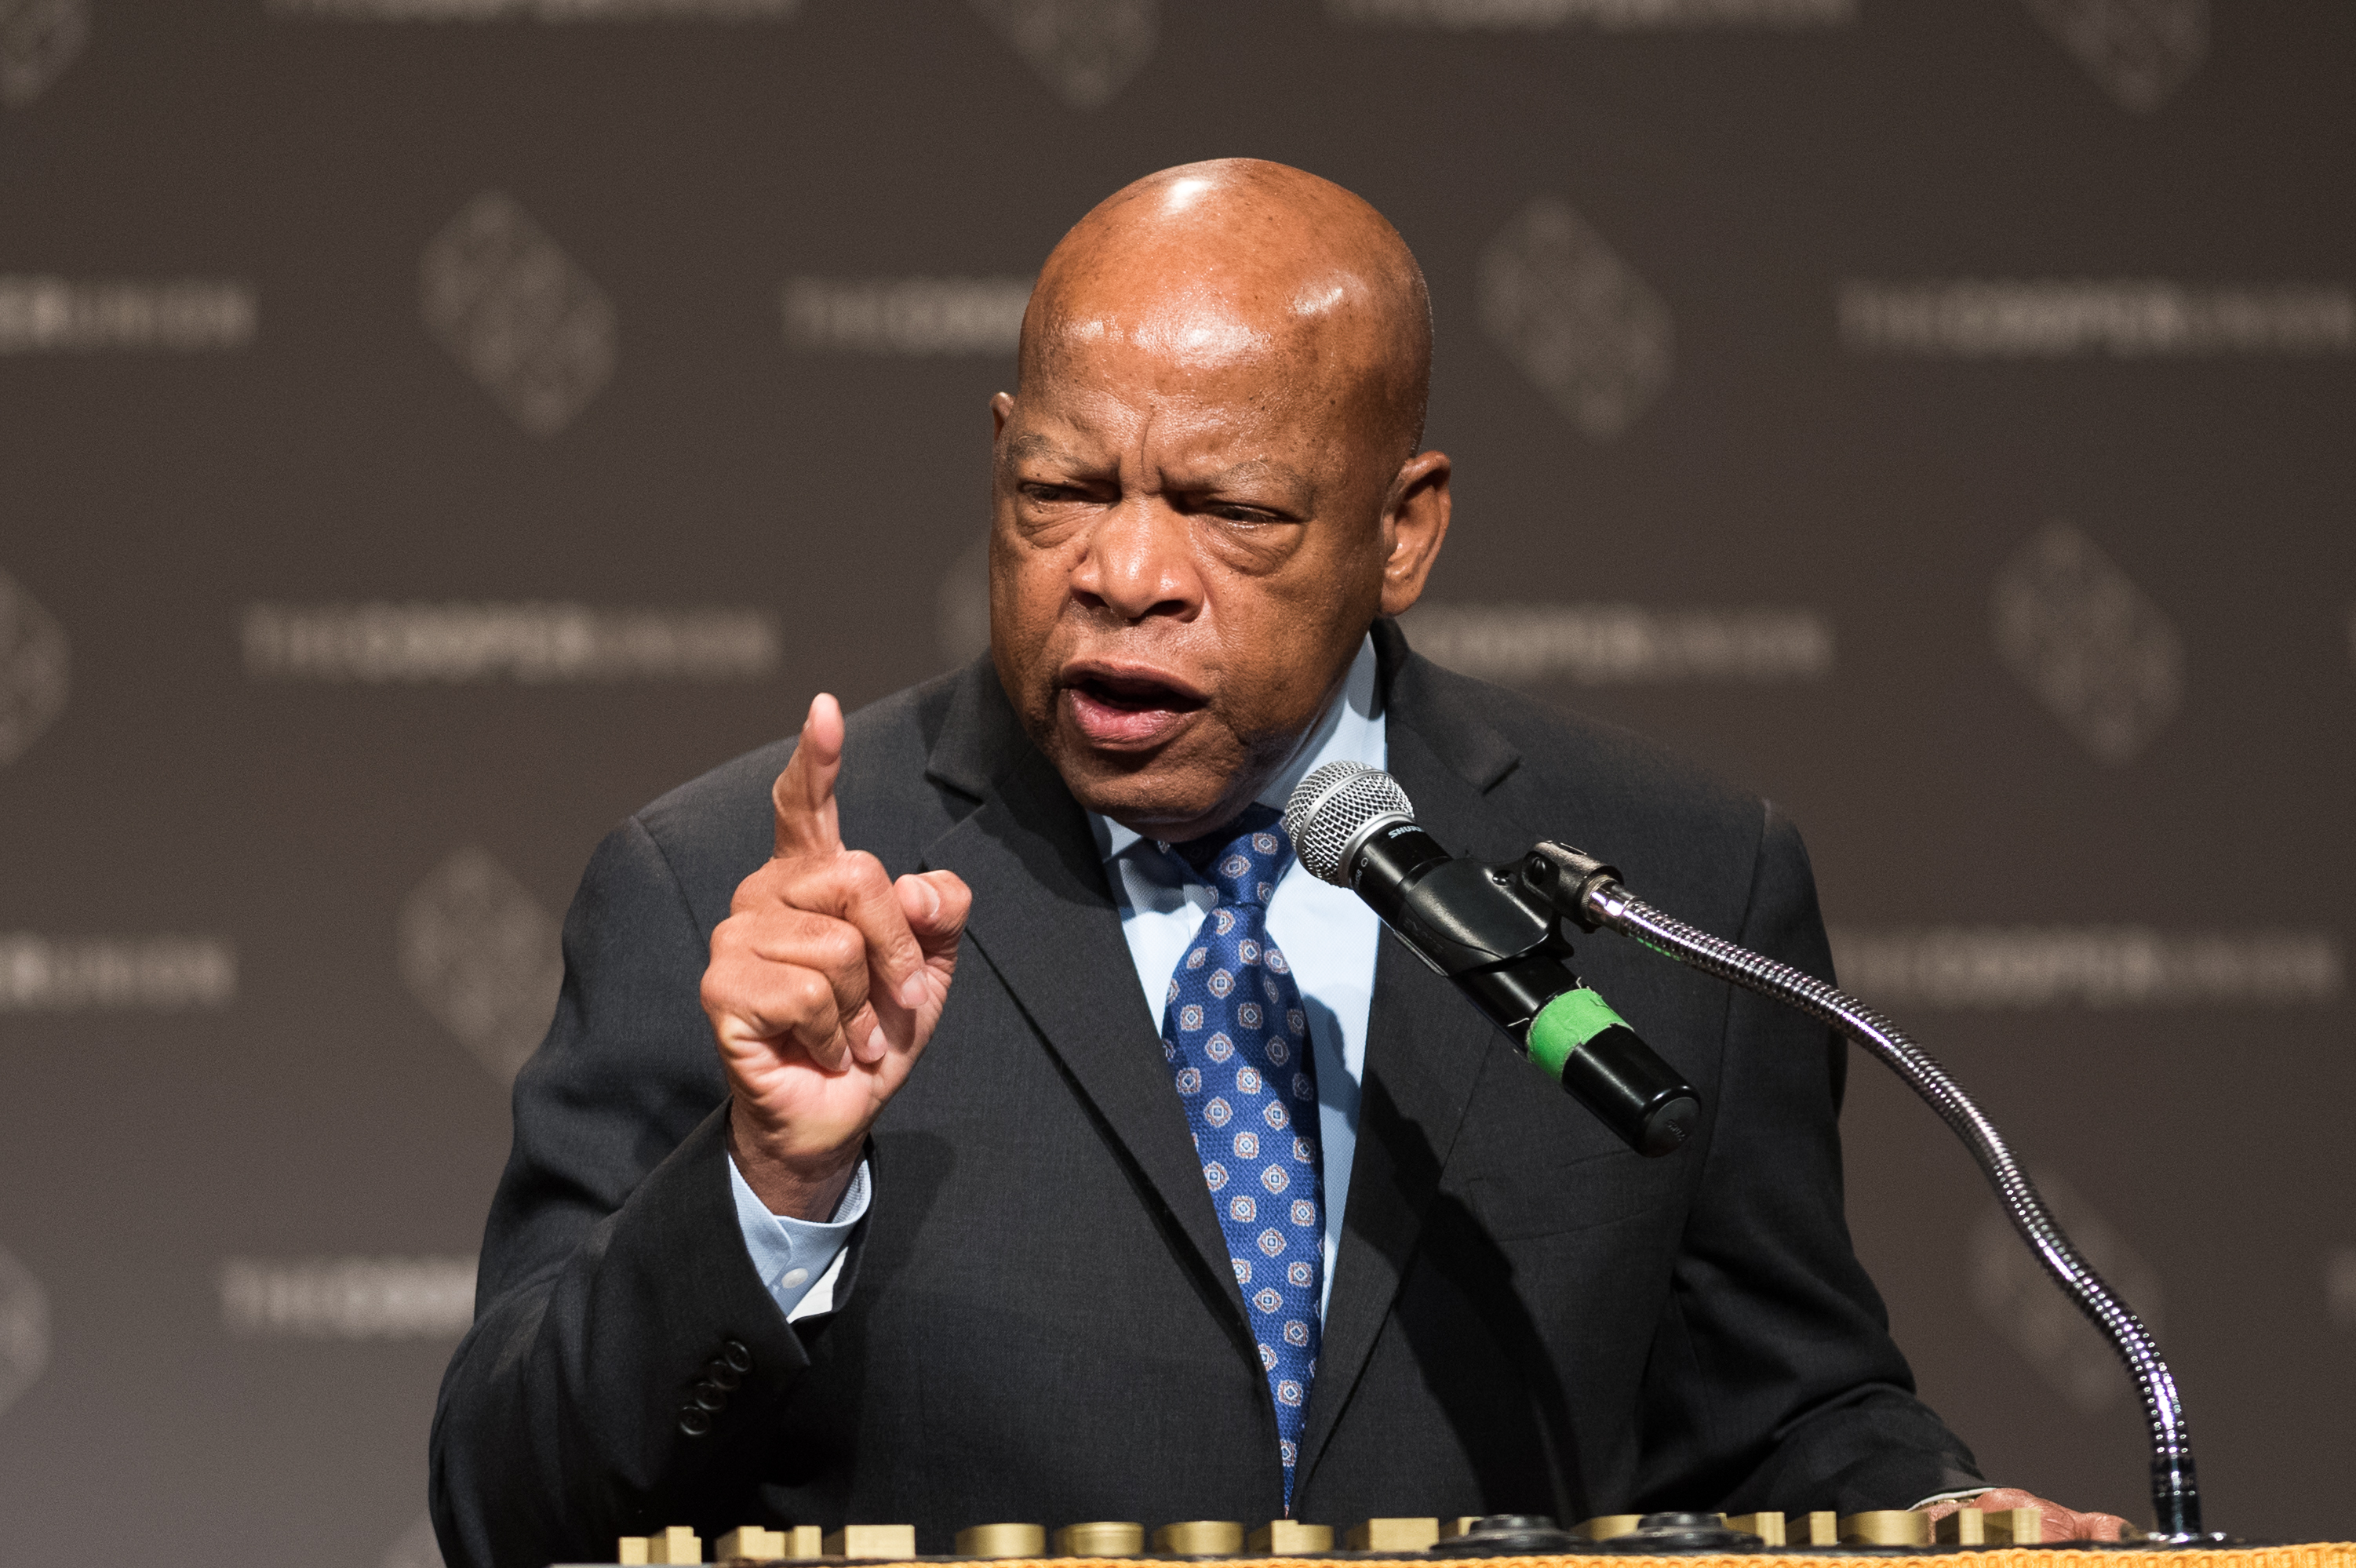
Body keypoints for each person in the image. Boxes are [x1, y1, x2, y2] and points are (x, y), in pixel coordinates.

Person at [428, 160, 2128, 1568]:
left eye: (1230, 507)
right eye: (1059, 486)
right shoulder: (737, 888)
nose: (1123, 570)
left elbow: (1780, 1412)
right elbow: (507, 1507)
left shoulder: (1676, 881)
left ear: (1402, 530)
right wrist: (766, 1188)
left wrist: (1933, 1516)